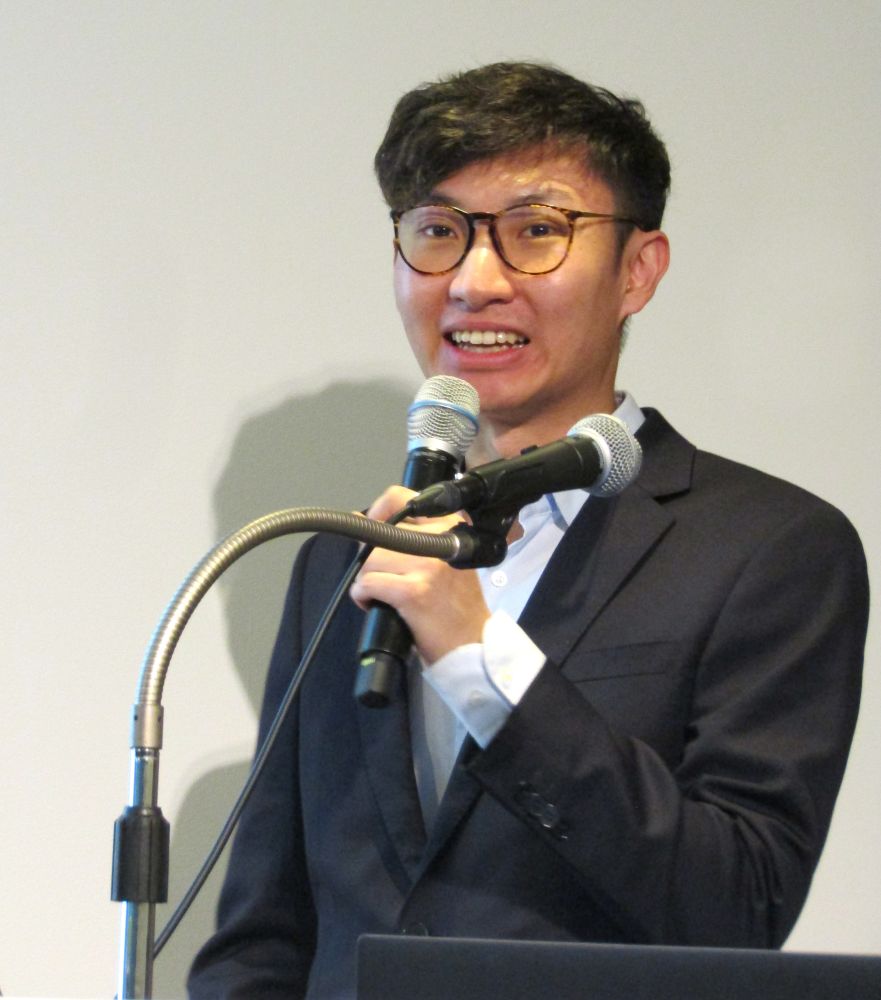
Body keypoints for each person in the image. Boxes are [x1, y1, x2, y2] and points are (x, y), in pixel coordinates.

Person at [187, 62, 868, 999]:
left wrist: (480, 657)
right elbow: (265, 937)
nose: (474, 282)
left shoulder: (768, 549)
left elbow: (738, 905)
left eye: (535, 232)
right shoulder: (344, 559)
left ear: (637, 270)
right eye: (437, 232)